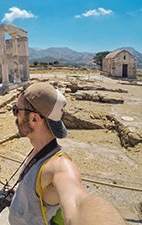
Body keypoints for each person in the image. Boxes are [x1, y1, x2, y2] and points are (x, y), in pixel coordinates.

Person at [8, 82, 125, 225]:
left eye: (16, 110)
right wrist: (20, 194)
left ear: (34, 119)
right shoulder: (39, 150)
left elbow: (77, 203)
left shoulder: (60, 166)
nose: (15, 116)